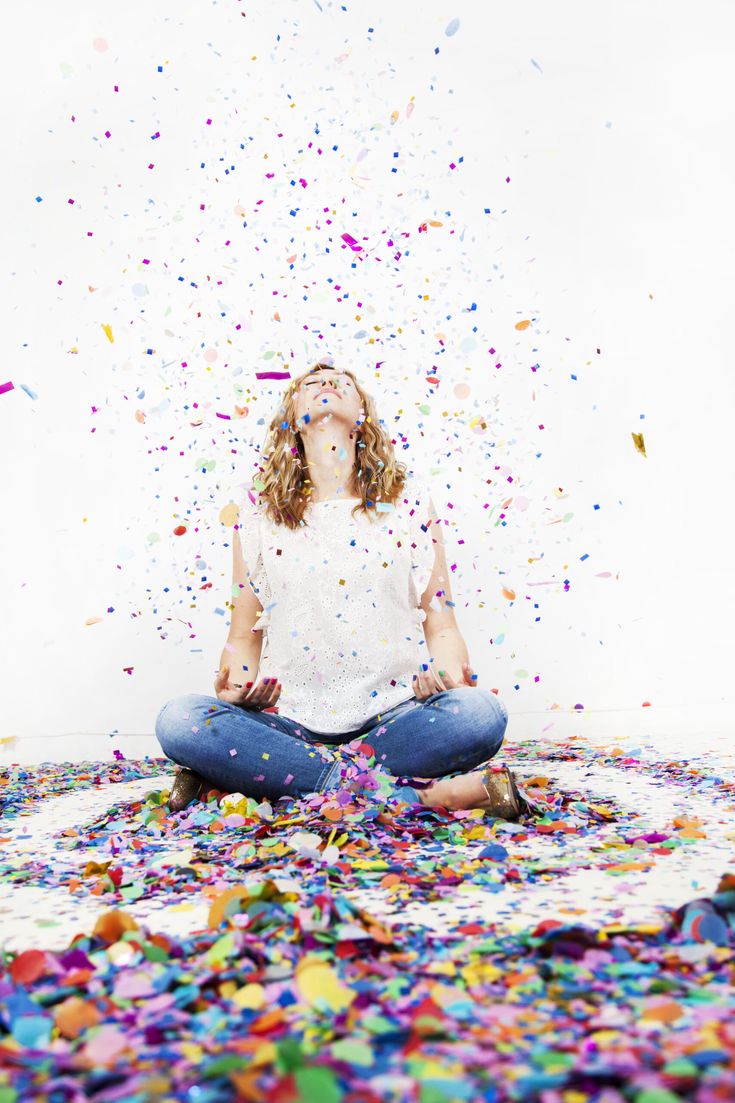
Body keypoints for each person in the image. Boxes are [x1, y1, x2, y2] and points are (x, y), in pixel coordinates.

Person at [155, 359, 527, 820]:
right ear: (291, 419)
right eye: (311, 383)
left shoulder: (409, 502)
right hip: (287, 722)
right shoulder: (257, 514)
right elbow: (243, 636)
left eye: (342, 383)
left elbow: (442, 623)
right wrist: (235, 685)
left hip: (395, 717)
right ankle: (422, 796)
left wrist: (448, 676)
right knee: (179, 719)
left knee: (479, 714)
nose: (327, 384)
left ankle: (254, 779)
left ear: (363, 416)